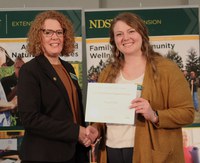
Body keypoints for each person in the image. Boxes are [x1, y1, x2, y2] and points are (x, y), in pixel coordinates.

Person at [93, 12, 195, 163]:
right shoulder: (107, 73)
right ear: (114, 41)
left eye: (131, 31)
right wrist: (95, 130)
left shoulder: (167, 69)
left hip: (151, 154)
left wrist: (154, 115)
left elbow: (187, 113)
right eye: (119, 34)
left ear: (142, 33)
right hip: (110, 151)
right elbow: (102, 117)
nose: (125, 38)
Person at [17, 10, 98, 163]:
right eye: (48, 32)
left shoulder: (68, 68)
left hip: (74, 153)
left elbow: (73, 111)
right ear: (38, 36)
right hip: (45, 155)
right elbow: (30, 118)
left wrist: (84, 134)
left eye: (59, 32)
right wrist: (75, 132)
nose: (55, 37)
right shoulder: (30, 70)